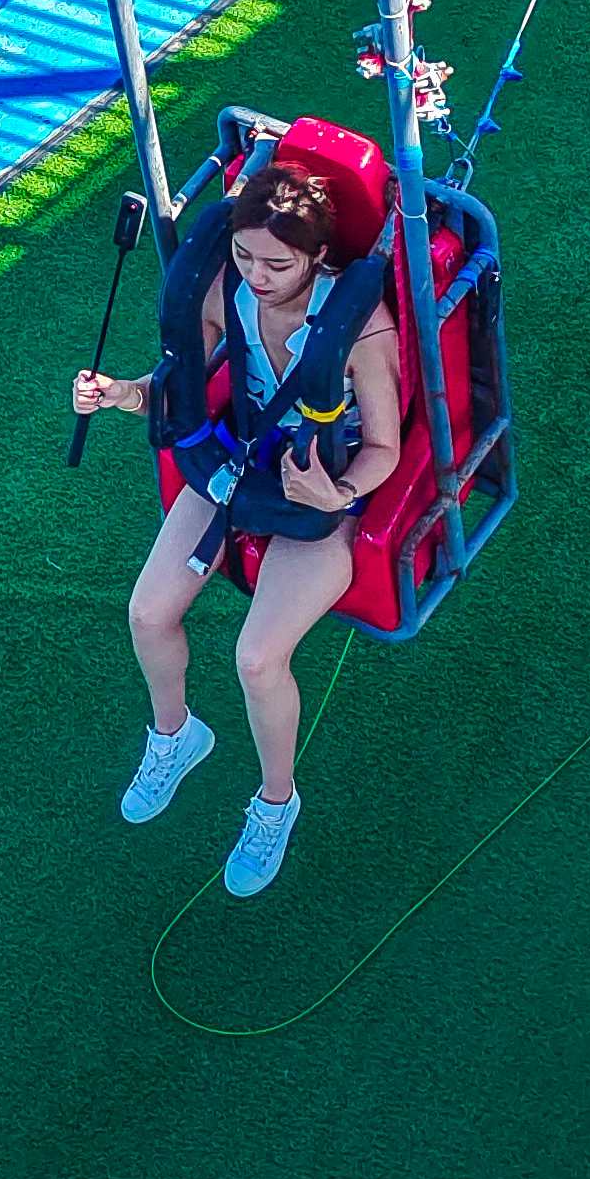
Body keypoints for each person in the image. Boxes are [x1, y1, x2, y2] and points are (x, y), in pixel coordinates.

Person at [68, 160, 402, 898]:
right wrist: (121, 394)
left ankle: (276, 802)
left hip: (320, 488)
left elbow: (386, 448)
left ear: (317, 257)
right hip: (238, 460)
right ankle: (175, 735)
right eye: (245, 254)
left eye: (277, 262)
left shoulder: (362, 328)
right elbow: (181, 376)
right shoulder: (230, 289)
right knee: (148, 613)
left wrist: (334, 488)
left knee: (257, 657)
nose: (257, 273)